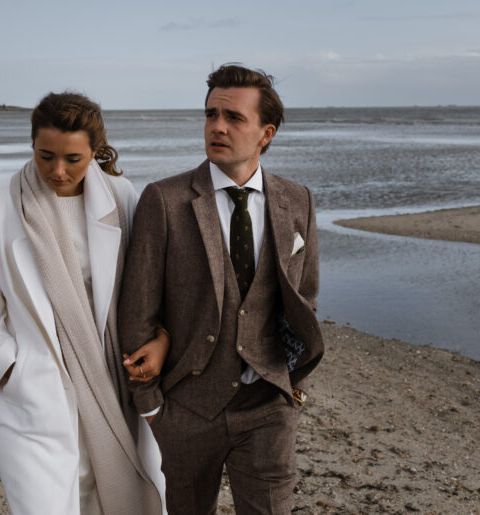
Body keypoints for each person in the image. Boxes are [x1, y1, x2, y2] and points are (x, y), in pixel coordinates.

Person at [118, 65, 325, 514]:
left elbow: (304, 300)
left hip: (269, 405)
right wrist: (153, 409)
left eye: (234, 118)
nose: (217, 127)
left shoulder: (298, 200)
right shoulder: (165, 200)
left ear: (265, 133)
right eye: (211, 114)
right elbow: (136, 312)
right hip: (188, 410)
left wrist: (293, 388)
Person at [0, 92, 167, 515]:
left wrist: (161, 337)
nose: (58, 170)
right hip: (37, 384)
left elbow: (150, 282)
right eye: (45, 156)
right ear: (32, 145)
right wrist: (9, 369)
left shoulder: (122, 197)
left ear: (95, 152)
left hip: (113, 376)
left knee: (117, 495)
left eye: (73, 158)